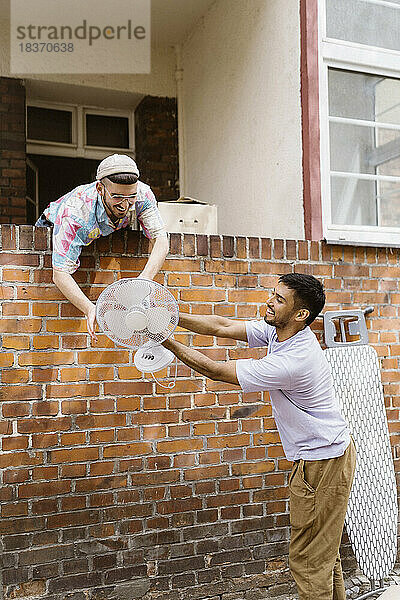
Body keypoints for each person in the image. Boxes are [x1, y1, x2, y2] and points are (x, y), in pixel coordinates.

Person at [162, 273, 356, 600]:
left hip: (322, 464)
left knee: (309, 561)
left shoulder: (293, 361)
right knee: (323, 555)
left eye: (279, 299)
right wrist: (168, 319)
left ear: (300, 315)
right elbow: (221, 326)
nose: (269, 301)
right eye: (273, 293)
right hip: (327, 457)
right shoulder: (279, 332)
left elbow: (215, 370)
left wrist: (161, 338)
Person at [36, 154, 169, 338]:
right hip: (53, 225)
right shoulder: (75, 212)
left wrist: (144, 280)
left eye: (131, 197)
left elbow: (161, 240)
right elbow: (60, 274)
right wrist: (89, 308)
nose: (125, 205)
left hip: (104, 229)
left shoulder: (143, 195)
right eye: (117, 197)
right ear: (100, 188)